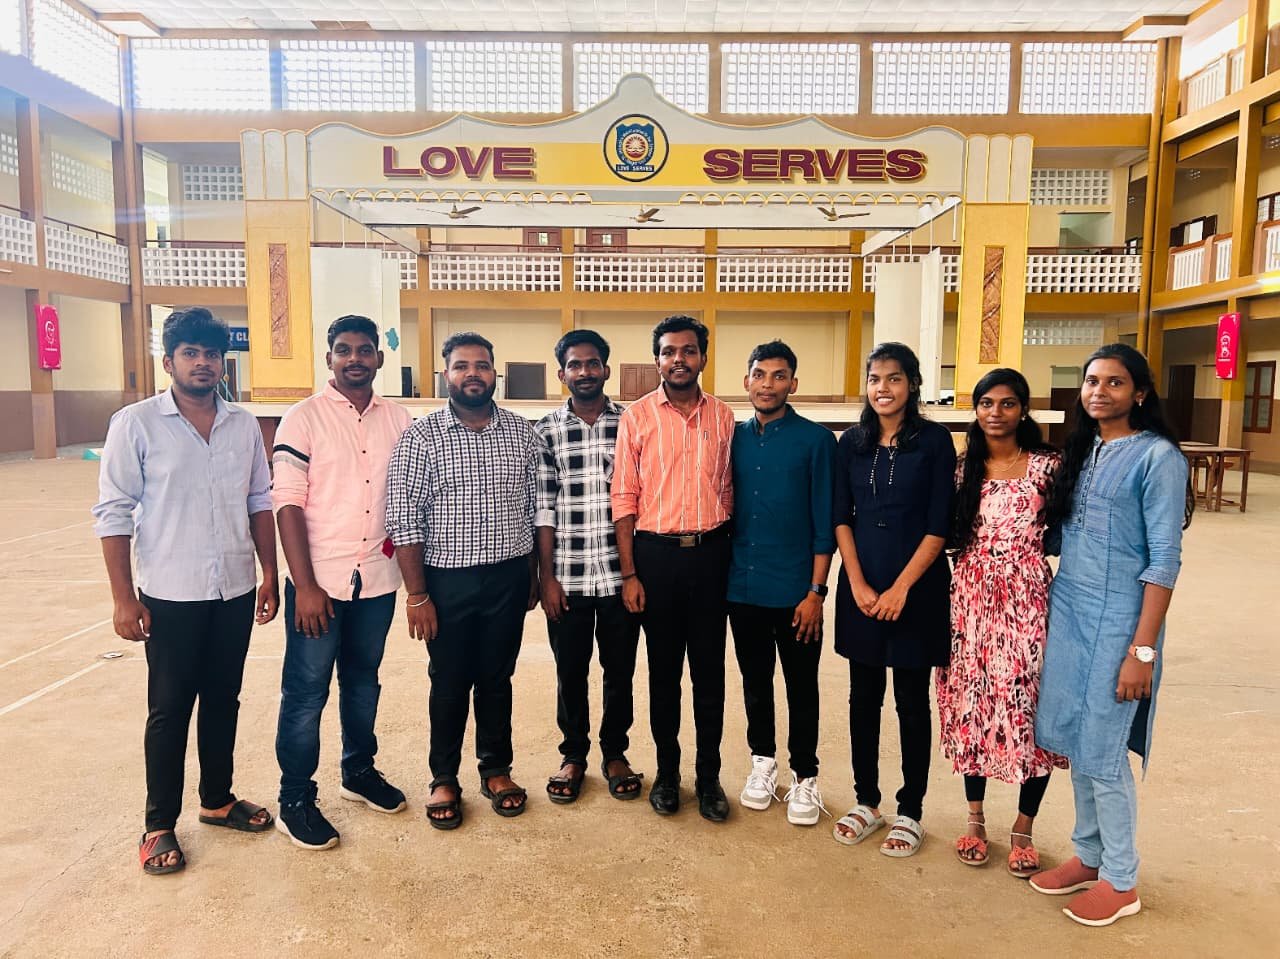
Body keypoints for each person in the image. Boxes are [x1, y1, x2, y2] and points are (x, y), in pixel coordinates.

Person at [93, 307, 278, 875]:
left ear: (223, 362)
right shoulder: (137, 423)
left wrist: (270, 573)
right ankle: (158, 824)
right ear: (168, 361)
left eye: (211, 354)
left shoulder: (242, 425)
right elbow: (113, 512)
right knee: (170, 710)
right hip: (170, 593)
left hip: (233, 590)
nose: (203, 363)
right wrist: (123, 598)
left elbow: (259, 501)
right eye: (191, 353)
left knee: (224, 699)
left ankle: (217, 801)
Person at [1031, 344, 1192, 927]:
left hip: (1122, 618)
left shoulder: (1157, 458)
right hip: (1070, 610)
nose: (1099, 392)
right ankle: (1089, 856)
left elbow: (1164, 561)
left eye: (1114, 382)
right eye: (1092, 381)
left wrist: (1141, 651)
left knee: (1102, 749)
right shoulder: (1085, 450)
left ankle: (1121, 880)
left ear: (1140, 393)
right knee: (1075, 742)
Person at [386, 331, 540, 829]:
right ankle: (444, 777)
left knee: (496, 677)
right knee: (450, 680)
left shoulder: (521, 433)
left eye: (482, 365)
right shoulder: (422, 436)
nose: (473, 374)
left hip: (508, 577)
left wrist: (534, 574)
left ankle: (496, 770)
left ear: (495, 373)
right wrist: (417, 594)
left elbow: (535, 509)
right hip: (446, 582)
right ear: (446, 375)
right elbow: (404, 518)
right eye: (461, 366)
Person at [270, 315, 413, 850]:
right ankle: (294, 798)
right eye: (344, 350)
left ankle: (358, 771)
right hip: (320, 583)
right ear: (328, 357)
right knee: (306, 693)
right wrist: (304, 585)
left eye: (364, 350)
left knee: (363, 682)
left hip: (377, 579)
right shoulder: (303, 418)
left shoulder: (398, 419)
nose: (355, 358)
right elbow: (287, 503)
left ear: (379, 357)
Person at [936, 368, 1066, 875]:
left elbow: (1068, 529)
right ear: (976, 410)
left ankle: (1023, 826)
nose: (996, 412)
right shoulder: (963, 468)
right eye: (986, 403)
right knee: (972, 702)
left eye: (1007, 403)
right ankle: (975, 818)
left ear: (1023, 409)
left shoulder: (1049, 465)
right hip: (970, 597)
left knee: (1028, 703)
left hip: (1028, 596)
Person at [830, 342, 953, 858]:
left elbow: (940, 523)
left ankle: (911, 810)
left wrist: (901, 588)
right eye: (875, 378)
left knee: (910, 702)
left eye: (894, 378)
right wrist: (858, 583)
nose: (883, 388)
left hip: (917, 589)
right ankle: (867, 801)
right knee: (863, 698)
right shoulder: (851, 442)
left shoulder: (934, 442)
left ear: (913, 384)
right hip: (862, 583)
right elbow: (841, 517)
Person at [612, 315, 735, 822]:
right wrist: (630, 574)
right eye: (668, 352)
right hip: (655, 558)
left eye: (687, 350)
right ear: (657, 359)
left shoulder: (725, 417)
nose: (678, 360)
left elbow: (729, 490)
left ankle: (709, 778)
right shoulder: (637, 417)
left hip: (710, 555)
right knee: (663, 674)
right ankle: (667, 773)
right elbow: (624, 497)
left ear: (703, 356)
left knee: (709, 675)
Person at [728, 340, 836, 826]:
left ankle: (805, 776)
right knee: (755, 682)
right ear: (746, 381)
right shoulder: (733, 438)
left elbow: (824, 525)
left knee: (801, 686)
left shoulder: (816, 441)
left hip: (797, 592)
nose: (767, 384)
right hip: (743, 587)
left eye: (778, 376)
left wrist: (816, 593)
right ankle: (763, 763)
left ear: (793, 383)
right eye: (759, 374)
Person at [535, 330, 644, 804]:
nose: (584, 372)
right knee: (571, 671)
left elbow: (639, 498)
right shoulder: (546, 430)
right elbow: (543, 508)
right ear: (562, 373)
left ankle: (615, 753)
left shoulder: (632, 423)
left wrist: (634, 573)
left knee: (620, 670)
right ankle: (574, 754)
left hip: (622, 575)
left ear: (606, 369)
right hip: (569, 574)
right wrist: (547, 578)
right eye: (575, 365)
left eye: (592, 363)